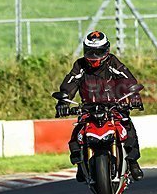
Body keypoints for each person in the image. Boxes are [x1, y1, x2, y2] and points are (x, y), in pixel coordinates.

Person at [56, 30, 144, 181]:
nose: (94, 57)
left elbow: (127, 78)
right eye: (90, 52)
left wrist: (134, 95)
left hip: (114, 107)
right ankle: (80, 164)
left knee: (128, 127)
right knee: (77, 132)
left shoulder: (113, 62)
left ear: (107, 50)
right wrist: (63, 101)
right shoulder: (80, 65)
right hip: (88, 109)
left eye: (98, 52)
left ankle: (133, 162)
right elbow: (70, 82)